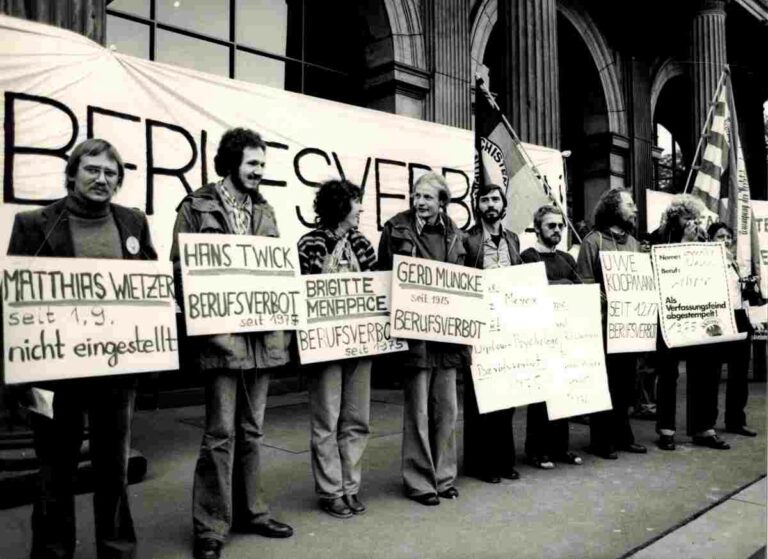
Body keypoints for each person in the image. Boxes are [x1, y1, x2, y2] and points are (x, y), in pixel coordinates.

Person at [7, 138, 157, 559]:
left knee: (114, 470)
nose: (101, 178)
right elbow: (18, 303)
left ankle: (116, 550)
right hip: (55, 375)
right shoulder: (35, 224)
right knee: (55, 473)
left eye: (110, 173)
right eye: (92, 169)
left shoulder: (133, 223)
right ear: (72, 174)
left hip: (115, 372)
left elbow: (149, 287)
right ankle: (53, 552)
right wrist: (21, 378)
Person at [170, 128, 293, 559]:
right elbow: (182, 272)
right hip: (220, 340)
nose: (259, 171)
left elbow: (275, 271)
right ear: (231, 162)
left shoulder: (267, 211)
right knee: (220, 433)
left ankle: (252, 512)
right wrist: (209, 328)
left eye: (263, 164)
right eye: (253, 164)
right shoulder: (196, 206)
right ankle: (211, 526)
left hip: (261, 339)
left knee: (252, 430)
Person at [377, 172, 468, 506]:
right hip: (415, 335)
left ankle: (444, 478)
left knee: (446, 408)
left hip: (447, 338)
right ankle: (419, 482)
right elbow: (383, 275)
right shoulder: (395, 228)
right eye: (416, 196)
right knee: (417, 411)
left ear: (442, 201)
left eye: (427, 197)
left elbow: (467, 281)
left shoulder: (457, 236)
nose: (420, 202)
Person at [297, 179, 377, 518]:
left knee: (356, 418)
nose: (360, 209)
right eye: (356, 203)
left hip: (360, 343)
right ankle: (330, 490)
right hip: (325, 347)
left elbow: (375, 287)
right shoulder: (310, 243)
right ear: (341, 206)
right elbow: (302, 290)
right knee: (327, 419)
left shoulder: (363, 243)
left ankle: (350, 486)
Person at [650, 194, 731, 450]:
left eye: (695, 218)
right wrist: (684, 243)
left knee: (704, 370)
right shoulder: (657, 237)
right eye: (688, 218)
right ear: (675, 218)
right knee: (668, 373)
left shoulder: (705, 238)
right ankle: (666, 429)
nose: (692, 223)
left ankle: (703, 428)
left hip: (698, 314)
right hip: (669, 315)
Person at [576, 187, 647, 459]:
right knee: (603, 385)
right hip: (602, 328)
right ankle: (600, 440)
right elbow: (583, 284)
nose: (635, 209)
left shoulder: (634, 243)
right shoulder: (592, 242)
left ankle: (623, 435)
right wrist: (601, 298)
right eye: (630, 205)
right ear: (614, 208)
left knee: (625, 384)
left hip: (628, 328)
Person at [461, 183, 522, 483]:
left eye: (495, 199)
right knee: (479, 398)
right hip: (480, 326)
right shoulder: (468, 239)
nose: (490, 204)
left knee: (506, 396)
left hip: (508, 325)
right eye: (484, 200)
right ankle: (479, 463)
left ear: (503, 204)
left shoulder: (513, 239)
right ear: (478, 206)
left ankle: (504, 460)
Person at [520, 205, 583, 469]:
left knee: (562, 393)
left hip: (564, 336)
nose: (557, 230)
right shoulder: (528, 257)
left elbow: (580, 291)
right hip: (538, 336)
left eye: (560, 226)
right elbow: (531, 292)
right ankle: (536, 450)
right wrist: (563, 287)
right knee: (539, 397)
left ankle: (560, 448)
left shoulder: (567, 259)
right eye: (551, 226)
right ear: (537, 228)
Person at [704, 223, 759, 437]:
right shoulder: (707, 263)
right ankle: (707, 422)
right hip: (718, 317)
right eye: (720, 236)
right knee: (712, 373)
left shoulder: (734, 264)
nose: (725, 241)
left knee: (739, 372)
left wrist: (748, 289)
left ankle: (736, 420)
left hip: (738, 317)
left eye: (728, 237)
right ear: (710, 240)